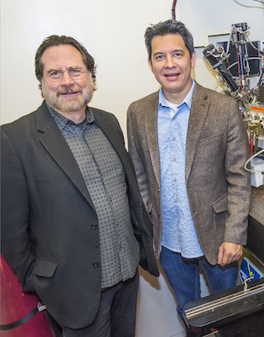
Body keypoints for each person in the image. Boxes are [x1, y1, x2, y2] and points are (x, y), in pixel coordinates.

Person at [1, 35, 159, 337]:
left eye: (76, 71)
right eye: (54, 73)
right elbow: (10, 230)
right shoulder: (14, 140)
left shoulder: (109, 122)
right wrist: (40, 281)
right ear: (41, 83)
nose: (67, 81)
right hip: (72, 292)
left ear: (91, 78)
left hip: (127, 278)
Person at [127, 20, 251, 332]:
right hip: (167, 242)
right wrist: (148, 229)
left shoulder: (224, 108)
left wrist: (235, 234)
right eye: (159, 56)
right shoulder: (137, 112)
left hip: (218, 237)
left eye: (177, 54)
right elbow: (139, 175)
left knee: (229, 314)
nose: (169, 64)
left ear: (192, 58)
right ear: (150, 63)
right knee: (190, 312)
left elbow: (239, 176)